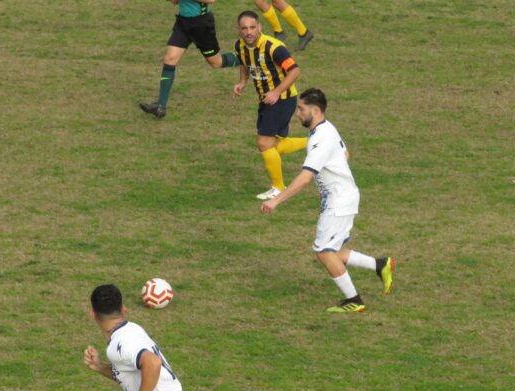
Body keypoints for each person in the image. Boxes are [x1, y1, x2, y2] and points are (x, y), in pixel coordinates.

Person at [260, 88, 394, 312]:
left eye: (301, 109)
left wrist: (276, 200)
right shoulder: (326, 128)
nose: (297, 114)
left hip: (339, 200)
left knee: (323, 252)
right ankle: (380, 265)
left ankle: (354, 301)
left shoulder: (320, 138)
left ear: (315, 110)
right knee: (331, 249)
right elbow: (345, 155)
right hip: (341, 196)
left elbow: (304, 178)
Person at [233, 10, 308, 200]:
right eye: (244, 28)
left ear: (259, 27)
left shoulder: (274, 47)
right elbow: (244, 63)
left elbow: (295, 70)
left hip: (282, 99)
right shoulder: (240, 46)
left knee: (264, 143)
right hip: (266, 100)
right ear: (238, 30)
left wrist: (276, 92)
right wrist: (242, 82)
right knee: (274, 145)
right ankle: (316, 142)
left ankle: (278, 188)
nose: (248, 32)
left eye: (252, 27)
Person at [140, 0, 241, 118]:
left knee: (216, 62)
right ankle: (160, 106)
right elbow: (175, 2)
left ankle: (249, 57)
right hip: (183, 22)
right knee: (170, 59)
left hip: (201, 23)